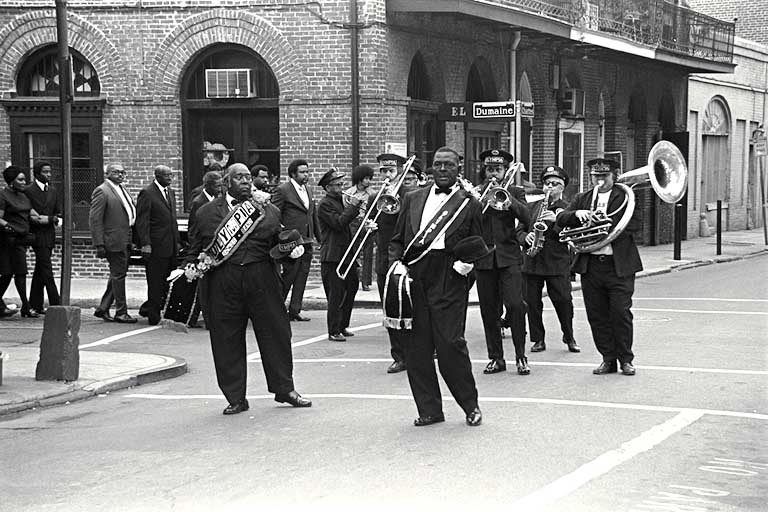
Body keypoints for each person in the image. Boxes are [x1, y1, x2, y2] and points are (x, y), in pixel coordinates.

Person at [187, 163, 311, 414]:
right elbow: (195, 249)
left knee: (276, 335)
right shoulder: (205, 212)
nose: (246, 181)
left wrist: (292, 252)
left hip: (262, 279)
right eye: (239, 177)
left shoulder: (270, 210)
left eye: (248, 177)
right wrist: (190, 268)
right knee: (226, 339)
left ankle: (284, 389)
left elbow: (280, 244)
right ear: (227, 181)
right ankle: (235, 397)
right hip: (224, 282)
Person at [388, 146, 484, 427]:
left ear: (458, 168)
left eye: (449, 165)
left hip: (449, 275)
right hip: (415, 274)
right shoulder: (412, 198)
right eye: (438, 165)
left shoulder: (468, 203)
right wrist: (396, 265)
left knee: (450, 344)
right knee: (416, 347)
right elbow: (396, 239)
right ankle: (429, 410)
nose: (443, 170)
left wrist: (465, 267)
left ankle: (470, 405)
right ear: (431, 168)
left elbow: (481, 244)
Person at [557, 158, 642, 376]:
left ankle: (625, 359)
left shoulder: (625, 197)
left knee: (620, 313)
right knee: (597, 315)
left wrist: (605, 223)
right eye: (596, 176)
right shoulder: (582, 198)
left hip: (618, 266)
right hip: (591, 265)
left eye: (604, 176)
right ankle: (608, 358)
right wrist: (577, 215)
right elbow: (561, 220)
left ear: (615, 176)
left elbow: (635, 224)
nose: (600, 180)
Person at [474, 149, 531, 376]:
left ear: (505, 171)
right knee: (489, 311)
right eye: (489, 170)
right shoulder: (476, 193)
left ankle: (520, 355)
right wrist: (480, 201)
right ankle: (496, 358)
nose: (493, 174)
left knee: (516, 306)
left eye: (498, 169)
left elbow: (528, 217)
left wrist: (510, 202)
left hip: (509, 258)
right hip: (484, 259)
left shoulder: (515, 191)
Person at [522, 165, 580, 354]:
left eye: (555, 184)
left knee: (563, 300)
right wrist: (525, 238)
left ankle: (569, 335)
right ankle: (538, 339)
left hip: (557, 262)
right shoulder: (533, 206)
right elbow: (519, 229)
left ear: (563, 187)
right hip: (532, 261)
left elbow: (571, 235)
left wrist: (556, 222)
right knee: (532, 302)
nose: (550, 188)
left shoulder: (569, 208)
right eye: (547, 184)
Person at [372, 153, 416, 373]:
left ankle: (415, 351)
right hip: (384, 259)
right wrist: (370, 225)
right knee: (389, 308)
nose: (387, 175)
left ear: (400, 170)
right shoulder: (376, 196)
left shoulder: (410, 194)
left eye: (390, 171)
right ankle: (398, 355)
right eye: (383, 171)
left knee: (411, 307)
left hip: (405, 257)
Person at [271, 159, 319, 322]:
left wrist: (318, 236)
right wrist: (281, 236)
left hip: (307, 238)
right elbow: (275, 213)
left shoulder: (309, 189)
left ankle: (295, 309)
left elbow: (312, 214)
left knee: (302, 276)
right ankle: (277, 307)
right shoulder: (283, 190)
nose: (306, 175)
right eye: (302, 172)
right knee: (289, 275)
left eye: (307, 171)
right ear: (293, 174)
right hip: (291, 240)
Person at [317, 168, 362, 342]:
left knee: (352, 286)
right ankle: (333, 330)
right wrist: (353, 207)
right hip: (333, 255)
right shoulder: (325, 204)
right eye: (337, 185)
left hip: (347, 253)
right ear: (328, 187)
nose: (341, 188)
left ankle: (343, 324)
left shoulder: (341, 201)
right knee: (335, 293)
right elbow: (338, 223)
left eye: (341, 184)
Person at [89, 163, 137, 323]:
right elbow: (95, 219)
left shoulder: (121, 189)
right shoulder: (102, 191)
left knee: (117, 274)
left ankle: (103, 308)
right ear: (107, 173)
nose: (121, 175)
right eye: (116, 172)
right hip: (113, 240)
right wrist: (99, 243)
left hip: (126, 238)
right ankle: (121, 312)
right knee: (118, 275)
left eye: (123, 172)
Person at [136, 165, 181, 325]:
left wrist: (177, 241)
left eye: (171, 175)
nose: (170, 178)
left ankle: (164, 311)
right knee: (155, 282)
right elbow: (142, 221)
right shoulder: (147, 193)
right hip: (155, 246)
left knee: (167, 282)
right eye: (167, 175)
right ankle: (153, 315)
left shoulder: (171, 193)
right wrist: (145, 243)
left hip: (170, 245)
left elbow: (171, 219)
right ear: (158, 176)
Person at [0, 166, 44, 318]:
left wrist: (51, 219)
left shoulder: (23, 196)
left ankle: (24, 306)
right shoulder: (3, 195)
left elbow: (33, 214)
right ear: (11, 181)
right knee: (12, 273)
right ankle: (25, 306)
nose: (24, 182)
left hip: (21, 239)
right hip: (8, 240)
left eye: (24, 179)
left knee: (16, 273)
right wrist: (9, 227)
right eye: (20, 179)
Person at [186, 170, 223, 328]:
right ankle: (197, 318)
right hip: (203, 248)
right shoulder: (199, 202)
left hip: (215, 247)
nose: (220, 188)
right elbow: (194, 229)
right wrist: (196, 250)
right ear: (207, 186)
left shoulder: (217, 200)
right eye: (217, 185)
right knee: (202, 287)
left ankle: (201, 317)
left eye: (221, 184)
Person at [25, 161, 61, 314]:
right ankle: (56, 305)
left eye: (50, 171)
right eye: (46, 172)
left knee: (40, 269)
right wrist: (50, 219)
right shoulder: (28, 190)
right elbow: (31, 216)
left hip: (49, 234)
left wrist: (54, 218)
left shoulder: (53, 191)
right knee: (47, 269)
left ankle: (34, 304)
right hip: (36, 235)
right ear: (37, 173)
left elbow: (58, 212)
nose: (49, 174)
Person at [344, 164, 375, 292]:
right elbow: (346, 209)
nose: (368, 181)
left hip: (366, 222)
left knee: (368, 253)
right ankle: (353, 278)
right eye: (366, 178)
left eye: (370, 178)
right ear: (359, 179)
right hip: (354, 223)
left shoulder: (372, 193)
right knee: (353, 251)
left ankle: (366, 282)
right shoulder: (349, 193)